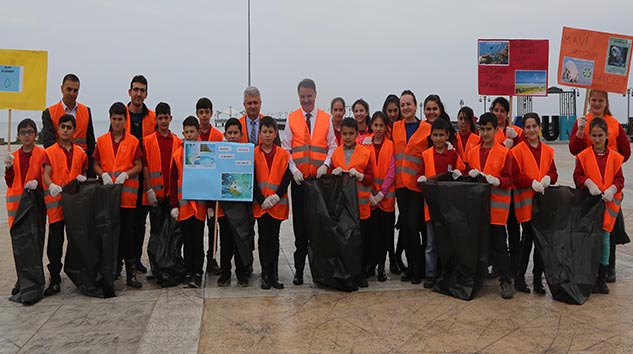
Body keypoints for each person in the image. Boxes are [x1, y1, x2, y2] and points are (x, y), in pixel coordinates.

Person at [569, 89, 630, 283]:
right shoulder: (582, 121)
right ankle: (590, 266)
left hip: (609, 186)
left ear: (606, 102)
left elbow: (626, 151)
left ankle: (608, 267)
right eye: (593, 99)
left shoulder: (614, 123)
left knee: (609, 229)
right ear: (589, 101)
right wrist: (579, 133)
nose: (596, 103)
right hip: (588, 183)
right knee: (588, 228)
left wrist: (612, 162)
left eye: (600, 100)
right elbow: (574, 149)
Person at [281, 78, 337, 286]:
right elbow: (286, 148)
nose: (306, 100)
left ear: (315, 95)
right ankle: (299, 270)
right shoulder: (292, 118)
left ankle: (318, 270)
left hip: (319, 182)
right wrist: (293, 170)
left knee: (319, 226)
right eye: (302, 96)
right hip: (299, 183)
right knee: (300, 227)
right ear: (298, 96)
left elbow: (332, 145)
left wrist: (326, 165)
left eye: (309, 96)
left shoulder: (325, 118)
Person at [93, 102, 143, 289]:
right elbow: (95, 163)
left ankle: (131, 273)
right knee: (110, 234)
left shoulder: (133, 141)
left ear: (125, 120)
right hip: (108, 197)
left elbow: (139, 165)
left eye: (120, 119)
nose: (117, 123)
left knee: (128, 235)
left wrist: (127, 174)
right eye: (114, 119)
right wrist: (102, 174)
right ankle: (113, 268)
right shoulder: (102, 141)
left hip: (127, 198)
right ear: (110, 119)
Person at [573, 117, 624, 295]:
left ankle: (602, 278)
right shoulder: (583, 156)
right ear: (589, 135)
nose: (597, 139)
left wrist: (613, 188)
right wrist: (587, 183)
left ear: (606, 135)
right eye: (593, 135)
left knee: (604, 240)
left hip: (608, 204)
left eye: (600, 135)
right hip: (590, 205)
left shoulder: (615, 158)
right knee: (589, 241)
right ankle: (590, 275)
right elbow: (577, 176)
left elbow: (620, 179)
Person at [467, 112, 514, 299]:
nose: (485, 133)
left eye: (489, 130)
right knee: (479, 246)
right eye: (482, 129)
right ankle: (478, 278)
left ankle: (506, 280)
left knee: (500, 246)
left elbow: (509, 179)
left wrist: (498, 181)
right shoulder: (471, 153)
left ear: (496, 130)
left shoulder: (504, 153)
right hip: (478, 210)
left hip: (497, 210)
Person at [510, 113, 557, 294]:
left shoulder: (547, 150)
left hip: (542, 203)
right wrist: (530, 182)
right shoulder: (518, 151)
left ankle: (538, 279)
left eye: (534, 126)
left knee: (540, 243)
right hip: (526, 203)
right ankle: (520, 277)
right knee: (527, 239)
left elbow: (553, 172)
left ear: (539, 128)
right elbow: (515, 175)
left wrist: (547, 178)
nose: (531, 130)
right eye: (527, 127)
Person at [41, 114, 88, 296]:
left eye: (69, 127)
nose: (66, 130)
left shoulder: (80, 152)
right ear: (58, 130)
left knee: (76, 240)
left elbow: (83, 169)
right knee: (55, 242)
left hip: (75, 205)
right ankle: (54, 277)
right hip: (56, 204)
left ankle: (77, 273)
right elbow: (46, 173)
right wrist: (50, 184)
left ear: (74, 131)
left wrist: (83, 176)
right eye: (63, 127)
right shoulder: (50, 152)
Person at [417, 119, 465, 289]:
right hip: (431, 205)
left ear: (447, 136)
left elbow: (461, 172)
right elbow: (420, 174)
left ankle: (448, 271)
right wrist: (421, 179)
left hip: (449, 205)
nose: (438, 138)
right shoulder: (426, 155)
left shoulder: (453, 155)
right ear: (431, 136)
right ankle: (430, 274)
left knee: (448, 241)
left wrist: (460, 172)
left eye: (441, 135)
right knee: (431, 243)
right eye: (435, 135)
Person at [5, 118, 46, 302]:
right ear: (18, 135)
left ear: (36, 134)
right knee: (20, 245)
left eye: (30, 132)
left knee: (35, 243)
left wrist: (38, 183)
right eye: (23, 132)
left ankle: (36, 280)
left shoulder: (42, 154)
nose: (27, 135)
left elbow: (46, 177)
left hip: (35, 204)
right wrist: (7, 167)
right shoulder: (13, 155)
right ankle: (22, 279)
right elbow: (10, 181)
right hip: (17, 206)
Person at [392, 90, 431, 284]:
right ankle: (411, 266)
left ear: (416, 106)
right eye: (403, 105)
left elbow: (435, 149)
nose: (406, 108)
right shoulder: (395, 127)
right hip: (400, 185)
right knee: (406, 229)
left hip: (417, 185)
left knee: (413, 226)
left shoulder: (426, 128)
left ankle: (418, 268)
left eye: (409, 104)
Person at [331, 118, 375, 288]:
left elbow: (371, 178)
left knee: (361, 241)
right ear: (341, 134)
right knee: (345, 240)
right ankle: (347, 271)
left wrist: (361, 176)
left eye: (351, 134)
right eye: (345, 134)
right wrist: (333, 173)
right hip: (343, 206)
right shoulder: (336, 154)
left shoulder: (366, 153)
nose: (348, 137)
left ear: (357, 134)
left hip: (360, 205)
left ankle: (360, 273)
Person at [142, 102, 182, 278]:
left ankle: (172, 263)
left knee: (174, 233)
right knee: (156, 233)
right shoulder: (148, 141)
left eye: (166, 117)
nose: (164, 121)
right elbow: (144, 166)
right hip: (156, 196)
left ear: (171, 118)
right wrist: (148, 189)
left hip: (172, 197)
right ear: (156, 120)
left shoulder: (178, 142)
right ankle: (155, 266)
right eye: (160, 118)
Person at [169, 116, 209, 288]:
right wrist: (173, 205)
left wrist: (210, 205)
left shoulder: (206, 152)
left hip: (199, 206)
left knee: (198, 239)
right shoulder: (178, 154)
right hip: (184, 206)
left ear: (198, 132)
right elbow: (173, 180)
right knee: (187, 239)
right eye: (187, 132)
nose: (190, 134)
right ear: (183, 133)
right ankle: (189, 270)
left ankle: (198, 271)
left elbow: (210, 179)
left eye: (193, 131)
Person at [252, 116, 291, 290]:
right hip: (261, 205)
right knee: (263, 239)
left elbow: (286, 177)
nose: (267, 135)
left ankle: (274, 274)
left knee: (274, 239)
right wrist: (261, 199)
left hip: (276, 203)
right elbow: (250, 179)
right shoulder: (253, 153)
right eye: (264, 132)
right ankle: (265, 274)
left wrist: (276, 196)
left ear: (275, 133)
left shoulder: (283, 154)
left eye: (270, 132)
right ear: (259, 133)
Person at [217, 118, 254, 287]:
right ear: (225, 134)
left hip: (241, 205)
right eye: (229, 133)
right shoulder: (219, 152)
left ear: (241, 134)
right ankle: (225, 273)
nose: (232, 136)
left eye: (235, 133)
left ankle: (241, 272)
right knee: (225, 243)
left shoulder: (247, 151)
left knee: (241, 240)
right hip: (223, 207)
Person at [126, 75, 157, 275]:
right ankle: (123, 260)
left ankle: (136, 258)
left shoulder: (152, 117)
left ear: (146, 94)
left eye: (142, 90)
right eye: (135, 89)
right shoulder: (121, 115)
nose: (138, 94)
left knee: (140, 222)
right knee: (124, 222)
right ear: (130, 92)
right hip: (126, 177)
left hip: (145, 178)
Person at [490, 97, 522, 278]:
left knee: (513, 227)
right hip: (497, 190)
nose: (499, 114)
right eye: (496, 110)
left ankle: (515, 267)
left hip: (514, 188)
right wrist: (503, 146)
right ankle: (497, 264)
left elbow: (526, 150)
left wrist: (516, 140)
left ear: (507, 113)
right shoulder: (491, 132)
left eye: (502, 110)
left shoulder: (516, 131)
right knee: (498, 230)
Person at [41, 74, 95, 176]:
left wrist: (91, 173)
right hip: (58, 167)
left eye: (75, 90)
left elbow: (91, 143)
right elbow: (48, 142)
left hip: (82, 167)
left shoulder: (86, 111)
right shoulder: (50, 112)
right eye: (69, 89)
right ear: (62, 89)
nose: (72, 93)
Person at [366, 112, 396, 281]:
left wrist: (382, 193)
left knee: (385, 234)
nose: (378, 129)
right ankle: (371, 264)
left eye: (381, 126)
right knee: (372, 234)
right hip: (370, 198)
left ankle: (381, 267)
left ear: (386, 127)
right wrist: (371, 193)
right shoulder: (365, 144)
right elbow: (363, 167)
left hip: (386, 198)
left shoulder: (391, 145)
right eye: (375, 125)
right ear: (371, 126)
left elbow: (392, 170)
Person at [195, 97, 223, 275]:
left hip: (212, 191)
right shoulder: (192, 136)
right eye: (201, 112)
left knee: (213, 227)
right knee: (197, 228)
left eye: (207, 112)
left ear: (212, 113)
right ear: (197, 114)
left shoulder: (218, 137)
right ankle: (196, 260)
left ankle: (211, 259)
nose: (204, 116)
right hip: (196, 190)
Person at [381, 94, 405, 273]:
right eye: (389, 111)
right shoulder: (382, 128)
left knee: (405, 221)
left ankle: (398, 254)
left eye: (395, 110)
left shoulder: (402, 128)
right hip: (387, 183)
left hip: (404, 180)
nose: (392, 114)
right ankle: (390, 257)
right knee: (387, 224)